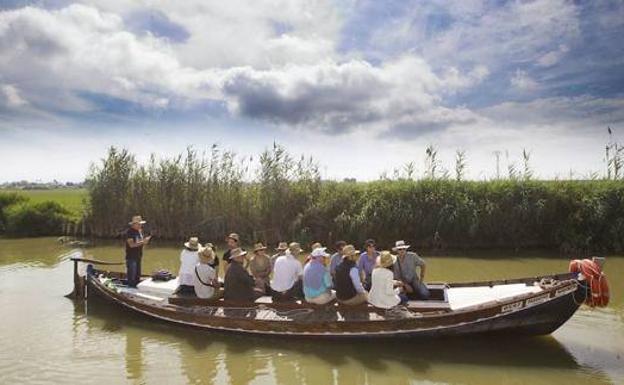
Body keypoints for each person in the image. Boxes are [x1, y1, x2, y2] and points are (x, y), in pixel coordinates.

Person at [125, 215, 151, 287]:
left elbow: (140, 243)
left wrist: (145, 242)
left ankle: (136, 287)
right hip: (131, 258)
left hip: (138, 256)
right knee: (131, 276)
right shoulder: (129, 232)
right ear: (134, 224)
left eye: (141, 224)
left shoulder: (140, 231)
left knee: (137, 275)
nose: (141, 225)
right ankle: (130, 289)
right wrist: (143, 242)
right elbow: (131, 245)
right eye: (139, 224)